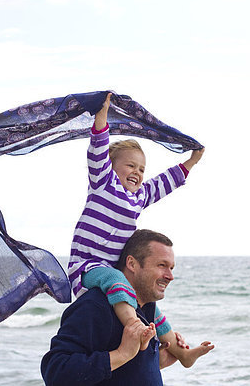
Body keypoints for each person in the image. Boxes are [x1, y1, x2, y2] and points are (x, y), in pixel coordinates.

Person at [68, 92, 206, 357]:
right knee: (116, 278)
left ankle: (181, 352)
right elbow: (97, 149)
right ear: (111, 167)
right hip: (86, 267)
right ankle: (133, 324)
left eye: (142, 169)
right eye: (130, 166)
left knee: (152, 307)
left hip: (113, 270)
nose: (137, 173)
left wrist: (191, 162)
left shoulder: (140, 197)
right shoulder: (103, 183)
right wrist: (102, 116)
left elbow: (166, 183)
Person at [42, 229, 214, 386]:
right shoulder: (95, 305)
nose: (170, 276)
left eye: (171, 268)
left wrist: (151, 362)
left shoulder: (147, 308)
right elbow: (56, 372)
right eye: (161, 265)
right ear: (132, 264)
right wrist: (121, 354)